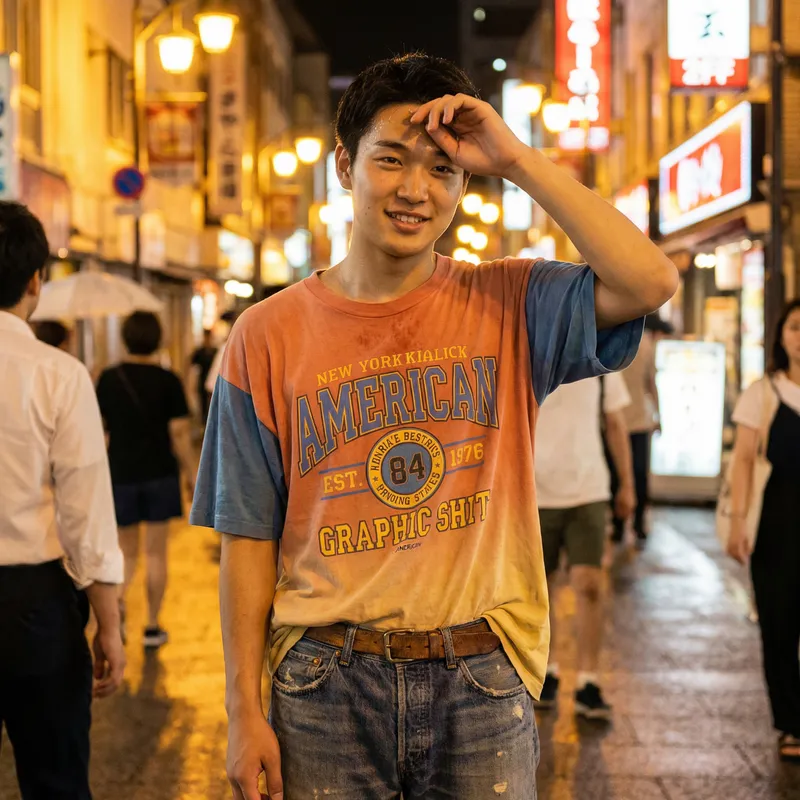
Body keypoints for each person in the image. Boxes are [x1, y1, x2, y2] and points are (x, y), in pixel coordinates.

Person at [191, 53, 678, 799]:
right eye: (391, 160)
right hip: (323, 683)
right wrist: (241, 710)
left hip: (480, 677)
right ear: (345, 166)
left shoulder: (512, 302)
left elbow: (649, 281)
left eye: (443, 170)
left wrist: (517, 161)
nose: (416, 190)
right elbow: (247, 534)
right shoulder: (264, 335)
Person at [0, 201, 125, 799]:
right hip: (35, 609)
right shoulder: (59, 374)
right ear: (35, 281)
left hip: (37, 600)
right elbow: (85, 516)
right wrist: (110, 626)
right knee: (55, 781)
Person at [534, 372, 635, 718]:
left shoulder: (602, 362)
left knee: (589, 585)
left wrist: (627, 484)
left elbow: (616, 424)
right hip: (535, 491)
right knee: (540, 590)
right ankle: (546, 670)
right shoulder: (531, 356)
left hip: (589, 489)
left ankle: (588, 679)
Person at [96, 311, 197, 650]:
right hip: (159, 474)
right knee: (155, 553)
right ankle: (152, 626)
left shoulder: (108, 379)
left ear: (125, 338)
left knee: (125, 553)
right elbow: (179, 433)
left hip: (121, 473)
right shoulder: (168, 380)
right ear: (158, 339)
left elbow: (101, 431)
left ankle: (119, 604)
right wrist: (192, 474)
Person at [727, 299, 800, 762]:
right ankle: (791, 723)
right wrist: (738, 522)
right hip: (776, 527)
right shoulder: (763, 392)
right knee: (779, 625)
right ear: (781, 336)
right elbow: (742, 461)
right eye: (795, 327)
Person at [609, 314, 664, 545]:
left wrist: (658, 414)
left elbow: (650, 382)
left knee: (622, 473)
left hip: (626, 417)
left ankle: (624, 524)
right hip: (631, 418)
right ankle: (633, 524)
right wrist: (659, 415)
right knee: (636, 473)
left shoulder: (612, 339)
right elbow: (652, 383)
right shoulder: (644, 344)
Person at [190, 328, 217, 425]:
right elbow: (192, 366)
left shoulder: (215, 351)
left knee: (212, 402)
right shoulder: (199, 352)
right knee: (202, 401)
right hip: (202, 379)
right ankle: (204, 421)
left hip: (213, 380)